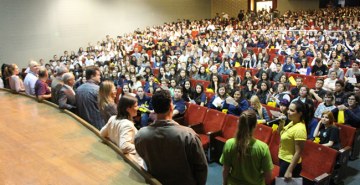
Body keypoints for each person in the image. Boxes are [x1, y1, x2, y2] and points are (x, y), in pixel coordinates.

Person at [134, 89, 208, 185]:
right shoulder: (189, 135)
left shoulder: (140, 135)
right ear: (171, 107)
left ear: (154, 109)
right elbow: (201, 167)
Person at [220, 110, 273, 185]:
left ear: (239, 124)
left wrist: (224, 183)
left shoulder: (229, 144)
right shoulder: (263, 148)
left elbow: (225, 170)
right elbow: (268, 175)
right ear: (255, 125)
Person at [100, 95, 144, 167]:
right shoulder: (127, 124)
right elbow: (124, 146)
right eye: (135, 106)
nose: (138, 108)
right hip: (129, 161)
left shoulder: (113, 118)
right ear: (128, 109)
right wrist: (142, 149)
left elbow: (102, 133)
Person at [277, 101, 308, 180]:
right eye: (289, 109)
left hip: (290, 163)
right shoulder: (292, 122)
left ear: (300, 113)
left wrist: (289, 171)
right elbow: (279, 133)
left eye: (292, 110)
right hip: (283, 158)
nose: (288, 112)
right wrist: (281, 123)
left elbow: (298, 152)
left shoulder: (300, 129)